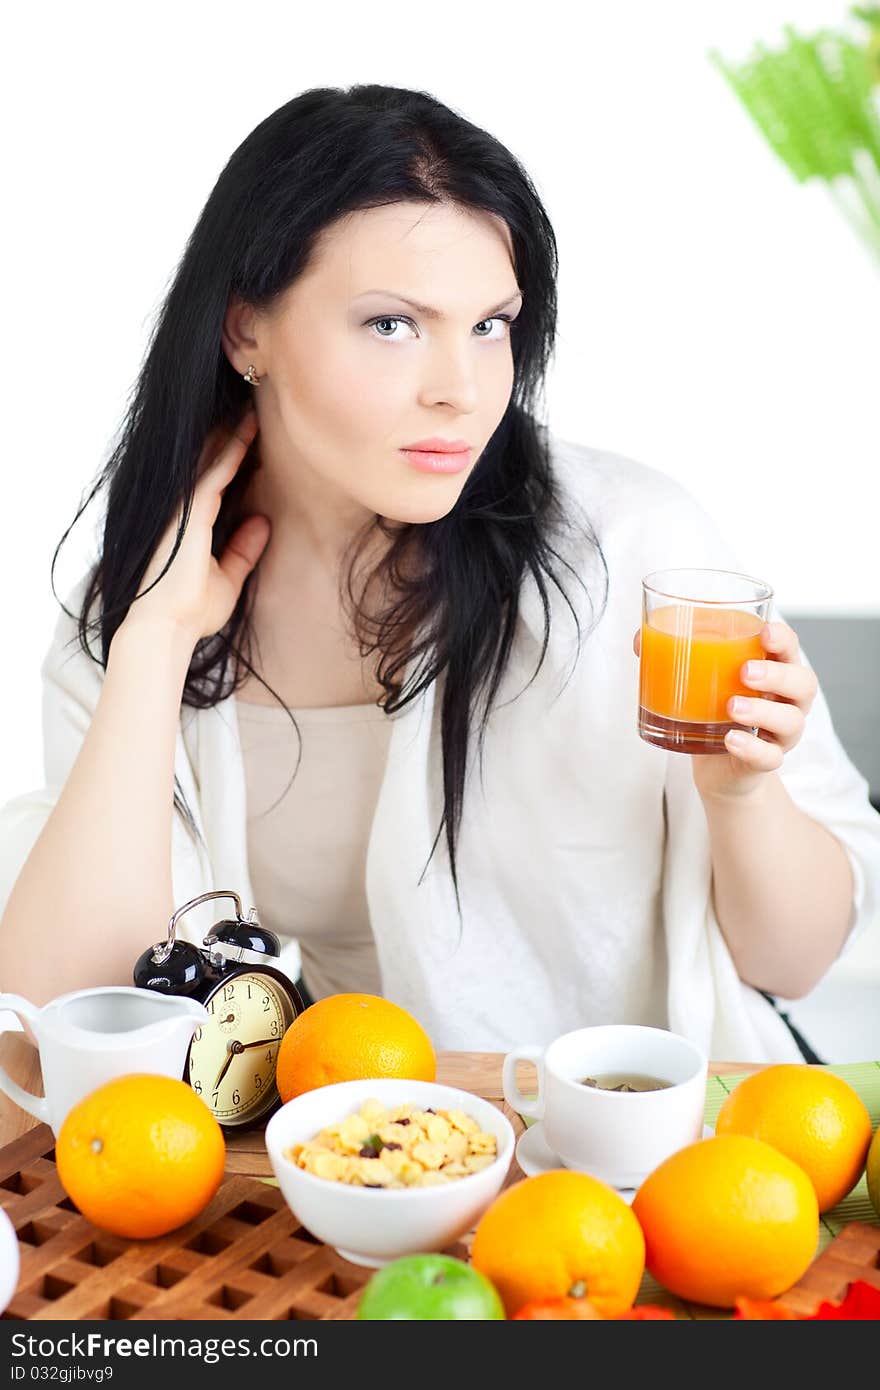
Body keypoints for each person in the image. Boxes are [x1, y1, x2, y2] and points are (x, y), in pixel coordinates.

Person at [1, 84, 878, 1063]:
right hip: (363, 1163)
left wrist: (739, 797)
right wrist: (155, 649)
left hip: (648, 1165)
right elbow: (55, 1030)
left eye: (489, 326)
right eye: (391, 325)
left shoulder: (631, 548)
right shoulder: (148, 602)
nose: (458, 390)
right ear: (246, 330)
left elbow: (795, 962)